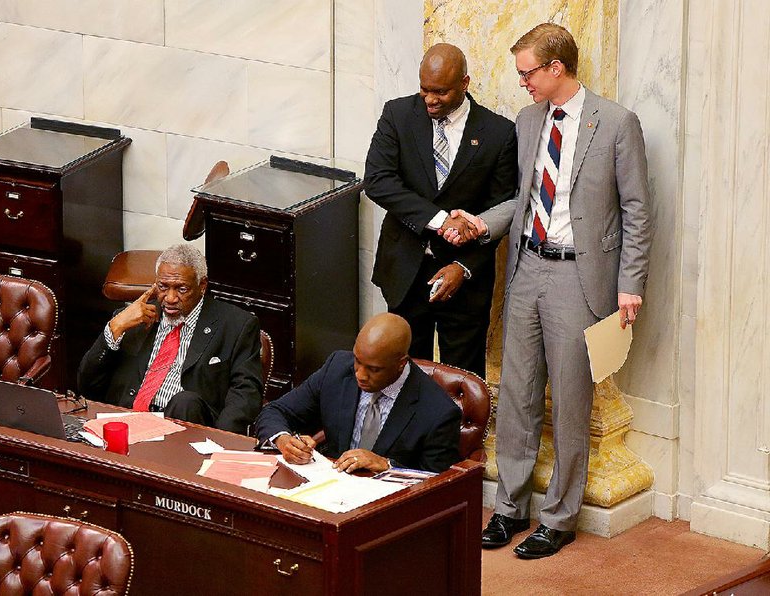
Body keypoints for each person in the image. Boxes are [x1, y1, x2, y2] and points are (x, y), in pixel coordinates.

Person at [448, 24, 652, 558]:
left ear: (555, 68)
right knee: (516, 395)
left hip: (579, 279)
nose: (522, 84)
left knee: (569, 397)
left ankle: (559, 518)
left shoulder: (616, 123)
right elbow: (520, 198)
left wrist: (630, 285)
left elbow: (637, 210)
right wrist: (480, 224)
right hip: (525, 270)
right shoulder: (528, 119)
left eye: (527, 73)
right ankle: (510, 509)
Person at [363, 43, 518, 379]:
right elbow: (377, 181)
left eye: (441, 92)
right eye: (424, 90)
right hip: (405, 272)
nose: (430, 100)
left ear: (464, 83)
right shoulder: (398, 115)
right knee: (402, 377)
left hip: (465, 280)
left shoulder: (499, 133)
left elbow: (503, 210)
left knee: (461, 382)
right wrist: (440, 221)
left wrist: (463, 266)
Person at [78, 244, 263, 434]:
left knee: (185, 401)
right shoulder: (133, 319)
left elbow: (245, 395)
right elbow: (87, 386)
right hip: (129, 426)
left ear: (202, 286)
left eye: (181, 289)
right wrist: (115, 327)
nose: (170, 298)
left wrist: (222, 442)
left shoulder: (236, 325)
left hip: (188, 429)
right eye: (163, 287)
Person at [254, 313, 461, 474]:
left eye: (374, 369)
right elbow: (276, 411)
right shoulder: (337, 368)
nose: (360, 375)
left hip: (390, 508)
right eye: (357, 361)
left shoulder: (438, 411)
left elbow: (436, 483)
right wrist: (283, 440)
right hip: (328, 488)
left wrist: (387, 465)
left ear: (401, 364)